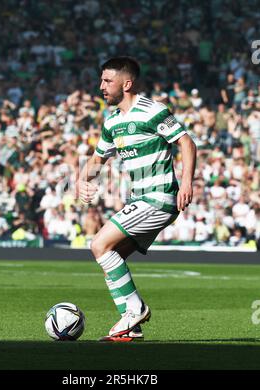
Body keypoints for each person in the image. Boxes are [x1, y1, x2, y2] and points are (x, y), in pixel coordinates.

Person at [77, 57, 197, 342]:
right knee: (111, 256)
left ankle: (135, 309)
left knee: (98, 244)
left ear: (126, 83)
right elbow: (98, 158)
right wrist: (82, 180)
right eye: (101, 81)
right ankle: (131, 326)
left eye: (107, 81)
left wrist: (187, 183)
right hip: (144, 200)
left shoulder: (152, 111)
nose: (101, 87)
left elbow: (186, 142)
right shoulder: (113, 122)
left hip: (158, 197)